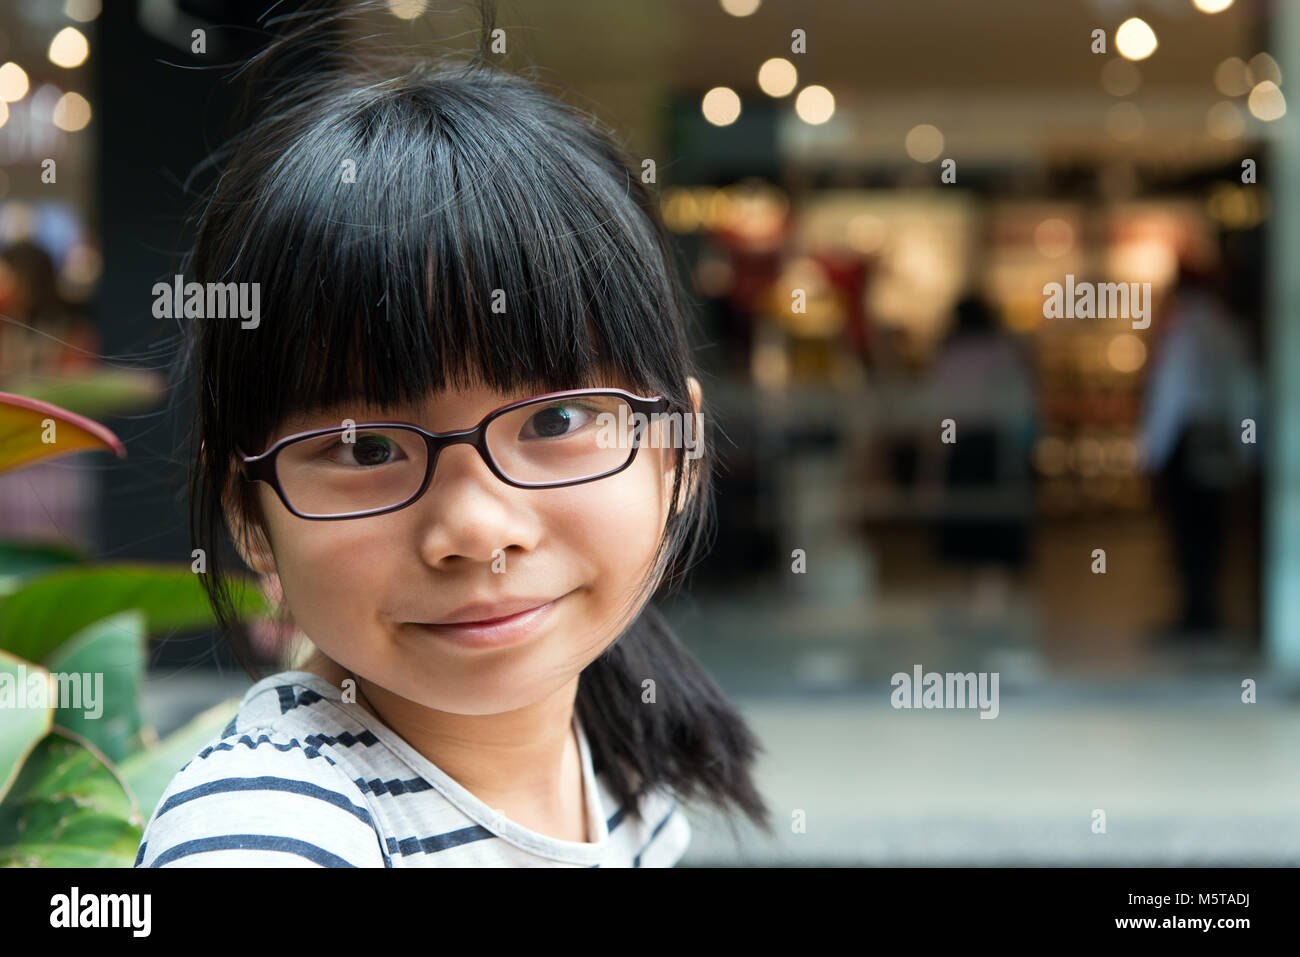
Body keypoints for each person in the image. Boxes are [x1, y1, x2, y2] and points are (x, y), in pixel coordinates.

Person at [136, 0, 769, 868]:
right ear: (249, 515)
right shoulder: (271, 835)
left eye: (556, 419)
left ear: (682, 452)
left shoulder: (620, 766)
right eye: (365, 448)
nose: (477, 529)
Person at [1138, 264, 1259, 642]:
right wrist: (1249, 447)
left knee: (1188, 533)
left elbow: (1168, 399)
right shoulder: (1229, 331)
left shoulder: (1183, 334)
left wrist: (1150, 452)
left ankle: (1196, 614)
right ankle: (1206, 611)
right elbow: (1245, 395)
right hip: (1219, 438)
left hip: (1187, 442)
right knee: (1212, 531)